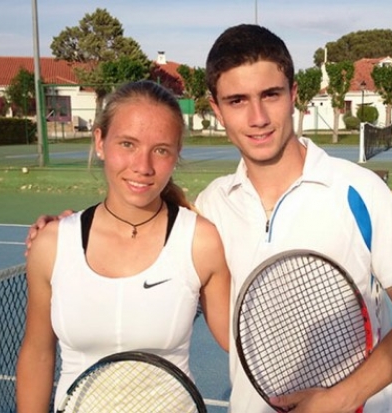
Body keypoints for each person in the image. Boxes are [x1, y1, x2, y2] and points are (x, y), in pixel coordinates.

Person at [28, 24, 392, 413]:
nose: (257, 117)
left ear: (294, 94)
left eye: (271, 95)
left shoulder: (359, 191)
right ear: (217, 109)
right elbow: (144, 225)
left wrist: (336, 400)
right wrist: (70, 228)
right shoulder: (210, 208)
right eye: (237, 101)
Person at [16, 80, 231, 413]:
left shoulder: (200, 240)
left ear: (176, 156)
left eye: (161, 149)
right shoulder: (53, 244)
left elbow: (240, 342)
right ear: (100, 142)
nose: (143, 166)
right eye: (127, 144)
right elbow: (38, 352)